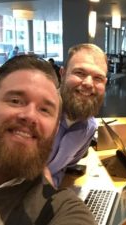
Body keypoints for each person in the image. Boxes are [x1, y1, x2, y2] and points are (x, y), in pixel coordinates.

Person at [0, 55, 96, 225]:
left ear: (55, 128)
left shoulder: (60, 209)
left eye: (44, 110)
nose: (30, 116)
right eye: (15, 101)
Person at [46, 43, 108, 188]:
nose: (88, 83)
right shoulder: (34, 116)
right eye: (79, 73)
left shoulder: (89, 128)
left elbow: (61, 169)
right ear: (62, 74)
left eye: (98, 78)